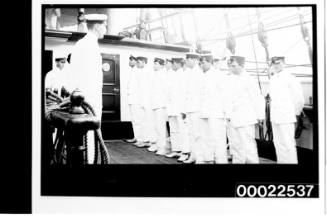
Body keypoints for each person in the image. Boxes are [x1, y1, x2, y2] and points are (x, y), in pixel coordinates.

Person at [69, 13, 108, 164]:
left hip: (82, 99)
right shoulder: (90, 44)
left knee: (86, 137)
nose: (105, 28)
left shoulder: (82, 43)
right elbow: (89, 77)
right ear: (97, 26)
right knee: (91, 135)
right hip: (89, 99)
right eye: (104, 25)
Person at [226, 56, 265, 164]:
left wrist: (260, 116)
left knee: (248, 147)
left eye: (234, 66)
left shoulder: (249, 79)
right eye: (230, 66)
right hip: (232, 118)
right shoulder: (230, 79)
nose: (231, 68)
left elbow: (257, 98)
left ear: (242, 65)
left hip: (245, 118)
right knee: (236, 146)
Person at [268, 56, 305, 164]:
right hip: (275, 117)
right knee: (278, 144)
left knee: (289, 145)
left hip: (286, 116)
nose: (276, 65)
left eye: (278, 63)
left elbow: (299, 99)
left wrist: (294, 113)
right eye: (274, 63)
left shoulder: (291, 78)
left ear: (284, 63)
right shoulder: (273, 79)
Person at [197, 54, 229, 164]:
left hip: (216, 112)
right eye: (200, 63)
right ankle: (208, 159)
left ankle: (221, 161)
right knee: (205, 137)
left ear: (210, 62)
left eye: (203, 63)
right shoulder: (201, 76)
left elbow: (225, 94)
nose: (201, 65)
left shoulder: (218, 75)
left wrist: (226, 112)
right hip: (204, 112)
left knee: (218, 138)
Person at [181, 53, 203, 163]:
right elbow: (186, 93)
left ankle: (199, 157)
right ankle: (193, 156)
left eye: (188, 59)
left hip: (197, 108)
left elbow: (201, 93)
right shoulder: (188, 73)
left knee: (198, 134)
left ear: (194, 60)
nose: (186, 61)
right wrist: (184, 110)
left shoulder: (199, 73)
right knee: (191, 134)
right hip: (189, 108)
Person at [165, 57, 188, 158]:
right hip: (172, 107)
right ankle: (176, 150)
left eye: (174, 63)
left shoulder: (183, 75)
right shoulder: (172, 75)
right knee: (173, 130)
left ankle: (185, 152)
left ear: (179, 64)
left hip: (180, 108)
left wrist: (184, 110)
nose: (172, 65)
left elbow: (185, 94)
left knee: (183, 131)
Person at [135, 56, 157, 148]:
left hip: (148, 101)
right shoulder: (141, 72)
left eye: (139, 62)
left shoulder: (149, 72)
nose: (137, 64)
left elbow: (150, 88)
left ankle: (152, 141)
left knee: (149, 122)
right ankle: (145, 140)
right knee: (143, 121)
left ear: (144, 62)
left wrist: (148, 101)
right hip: (142, 100)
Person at [149, 57, 169, 155]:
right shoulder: (155, 75)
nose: (154, 65)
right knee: (156, 126)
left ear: (161, 65)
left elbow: (166, 91)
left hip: (161, 105)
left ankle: (163, 147)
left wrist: (164, 104)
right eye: (154, 63)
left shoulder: (163, 75)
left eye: (156, 64)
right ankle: (157, 144)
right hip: (155, 104)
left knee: (160, 127)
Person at [126, 55, 142, 144]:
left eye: (131, 60)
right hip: (132, 99)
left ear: (135, 61)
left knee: (138, 119)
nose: (129, 62)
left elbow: (139, 87)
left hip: (137, 100)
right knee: (134, 119)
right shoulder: (132, 71)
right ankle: (136, 137)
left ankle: (140, 138)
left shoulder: (138, 71)